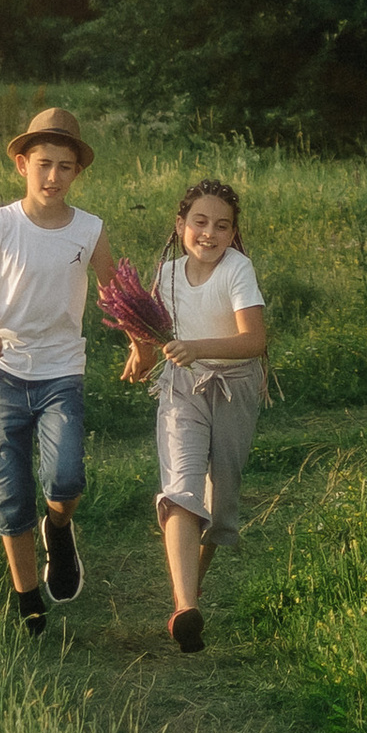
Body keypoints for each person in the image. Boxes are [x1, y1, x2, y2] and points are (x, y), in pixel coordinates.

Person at [0, 104, 106, 639]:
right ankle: (28, 598)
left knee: (66, 477)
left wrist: (140, 340)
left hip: (62, 372)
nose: (53, 176)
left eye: (65, 166)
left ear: (77, 172)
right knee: (10, 493)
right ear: (22, 164)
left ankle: (59, 529)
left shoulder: (89, 230)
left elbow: (115, 294)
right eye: (43, 164)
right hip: (1, 374)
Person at [118, 176, 267, 653]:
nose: (209, 233)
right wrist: (140, 351)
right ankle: (184, 606)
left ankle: (192, 589)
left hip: (234, 386)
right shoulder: (168, 273)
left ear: (233, 232)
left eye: (222, 226)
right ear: (180, 224)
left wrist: (196, 346)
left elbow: (254, 341)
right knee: (181, 487)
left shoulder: (238, 270)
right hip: (182, 386)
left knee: (219, 502)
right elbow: (149, 324)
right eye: (199, 222)